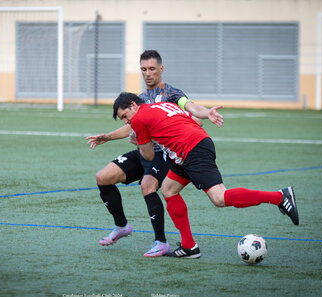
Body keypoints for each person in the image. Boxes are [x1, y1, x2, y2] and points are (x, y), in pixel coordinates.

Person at [113, 92, 298, 259]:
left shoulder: (139, 119)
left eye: (125, 116)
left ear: (133, 105)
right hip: (190, 148)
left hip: (192, 149)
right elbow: (195, 121)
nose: (126, 122)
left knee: (219, 198)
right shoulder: (162, 105)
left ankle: (280, 197)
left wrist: (137, 141)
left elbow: (148, 155)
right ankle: (189, 247)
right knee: (168, 189)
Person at [86, 50, 218, 257]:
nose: (147, 73)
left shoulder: (173, 94)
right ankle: (121, 226)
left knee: (148, 185)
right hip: (144, 149)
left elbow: (191, 109)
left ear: (161, 69)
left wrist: (202, 115)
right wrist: (107, 137)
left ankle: (161, 242)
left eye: (152, 69)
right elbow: (132, 127)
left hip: (165, 154)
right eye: (144, 69)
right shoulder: (139, 99)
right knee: (103, 177)